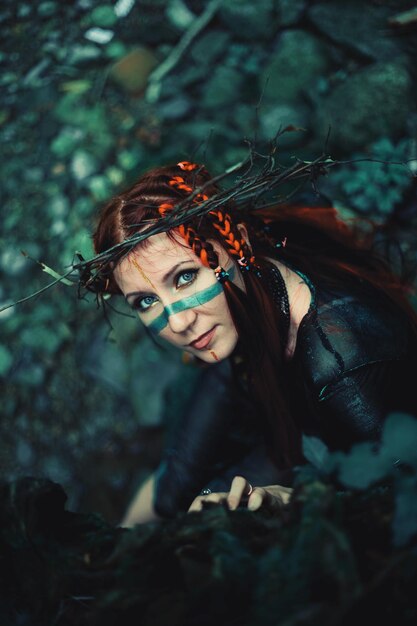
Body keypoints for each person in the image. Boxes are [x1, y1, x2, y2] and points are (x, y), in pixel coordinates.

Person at [91, 160, 417, 525]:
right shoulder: (246, 290)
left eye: (185, 277)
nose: (179, 322)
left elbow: (401, 494)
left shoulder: (342, 366)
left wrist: (291, 500)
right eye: (146, 302)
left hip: (324, 441)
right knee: (173, 489)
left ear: (238, 244)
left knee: (209, 514)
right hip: (261, 372)